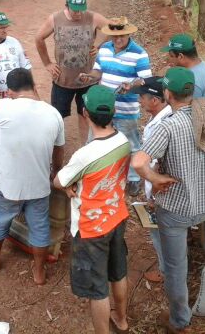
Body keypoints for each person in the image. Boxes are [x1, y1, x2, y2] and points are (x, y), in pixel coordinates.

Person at [131, 67, 205, 334]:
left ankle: (180, 322)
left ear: (167, 94)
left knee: (176, 267)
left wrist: (157, 178)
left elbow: (139, 163)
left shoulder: (167, 127)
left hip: (176, 210)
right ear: (191, 91)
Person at [53, 85, 131, 334]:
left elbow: (59, 181)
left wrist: (68, 186)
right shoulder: (123, 141)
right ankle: (122, 319)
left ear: (85, 113)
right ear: (114, 111)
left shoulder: (84, 155)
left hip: (91, 228)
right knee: (118, 273)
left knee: (98, 290)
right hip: (117, 215)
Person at [0, 68, 65, 285]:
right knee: (39, 225)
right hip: (38, 183)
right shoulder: (53, 113)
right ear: (34, 87)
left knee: (0, 218)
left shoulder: (4, 105)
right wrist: (55, 171)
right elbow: (59, 149)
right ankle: (38, 272)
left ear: (9, 91)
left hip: (7, 183)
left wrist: (3, 102)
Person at [78, 16, 152, 197]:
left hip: (127, 109)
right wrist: (89, 77)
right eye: (115, 36)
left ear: (128, 34)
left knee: (132, 144)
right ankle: (95, 172)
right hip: (104, 108)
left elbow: (145, 80)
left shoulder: (139, 53)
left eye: (122, 36)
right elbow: (98, 72)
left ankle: (133, 179)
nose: (118, 39)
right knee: (95, 140)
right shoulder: (104, 50)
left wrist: (131, 86)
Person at [35, 0, 109, 144]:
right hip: (63, 81)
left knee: (86, 115)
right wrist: (47, 63)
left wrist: (100, 45)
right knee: (57, 117)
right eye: (75, 10)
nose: (79, 13)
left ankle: (85, 148)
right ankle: (55, 148)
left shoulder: (92, 17)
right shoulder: (55, 19)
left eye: (81, 9)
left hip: (88, 80)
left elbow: (111, 27)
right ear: (67, 6)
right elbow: (39, 38)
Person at [128, 77, 172, 283]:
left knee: (159, 233)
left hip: (161, 190)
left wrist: (153, 193)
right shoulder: (173, 115)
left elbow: (155, 164)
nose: (139, 101)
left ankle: (165, 271)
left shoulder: (158, 127)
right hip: (169, 187)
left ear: (155, 100)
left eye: (142, 97)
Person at [0, 12, 31, 98]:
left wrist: (31, 90)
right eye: (1, 27)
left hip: (18, 94)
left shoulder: (14, 42)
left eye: (6, 27)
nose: (5, 30)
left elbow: (26, 67)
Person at [161, 33, 205, 98]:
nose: (169, 59)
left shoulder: (191, 81)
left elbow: (187, 107)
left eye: (171, 56)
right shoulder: (203, 64)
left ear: (180, 56)